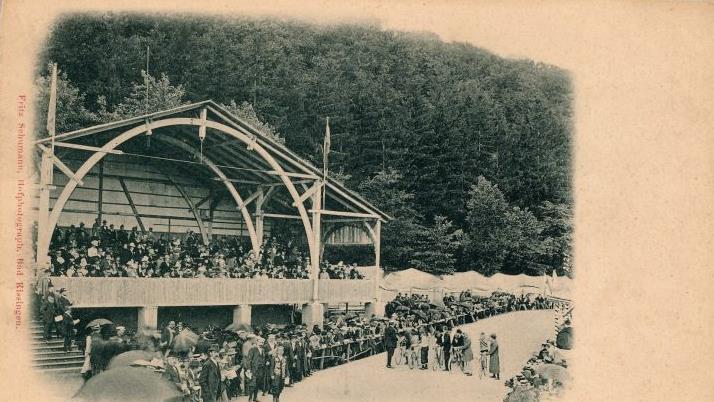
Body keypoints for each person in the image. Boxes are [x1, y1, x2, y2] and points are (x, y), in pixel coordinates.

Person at [245, 337, 266, 402]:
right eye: (260, 342)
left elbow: (263, 358)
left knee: (257, 384)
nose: (261, 343)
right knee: (252, 384)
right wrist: (248, 369)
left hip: (261, 370)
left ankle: (255, 397)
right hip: (254, 369)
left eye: (262, 342)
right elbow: (248, 360)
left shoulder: (263, 350)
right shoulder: (252, 349)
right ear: (257, 342)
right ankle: (250, 398)